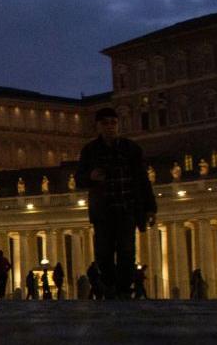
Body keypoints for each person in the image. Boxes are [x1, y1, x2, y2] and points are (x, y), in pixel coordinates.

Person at [75, 107, 156, 299]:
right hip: (103, 211)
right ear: (97, 126)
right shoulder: (90, 150)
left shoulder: (132, 149)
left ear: (118, 125)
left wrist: (150, 208)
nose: (110, 126)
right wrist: (90, 176)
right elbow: (79, 179)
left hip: (127, 208)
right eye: (105, 123)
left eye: (113, 122)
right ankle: (110, 287)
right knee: (103, 253)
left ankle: (123, 290)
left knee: (127, 251)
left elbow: (143, 180)